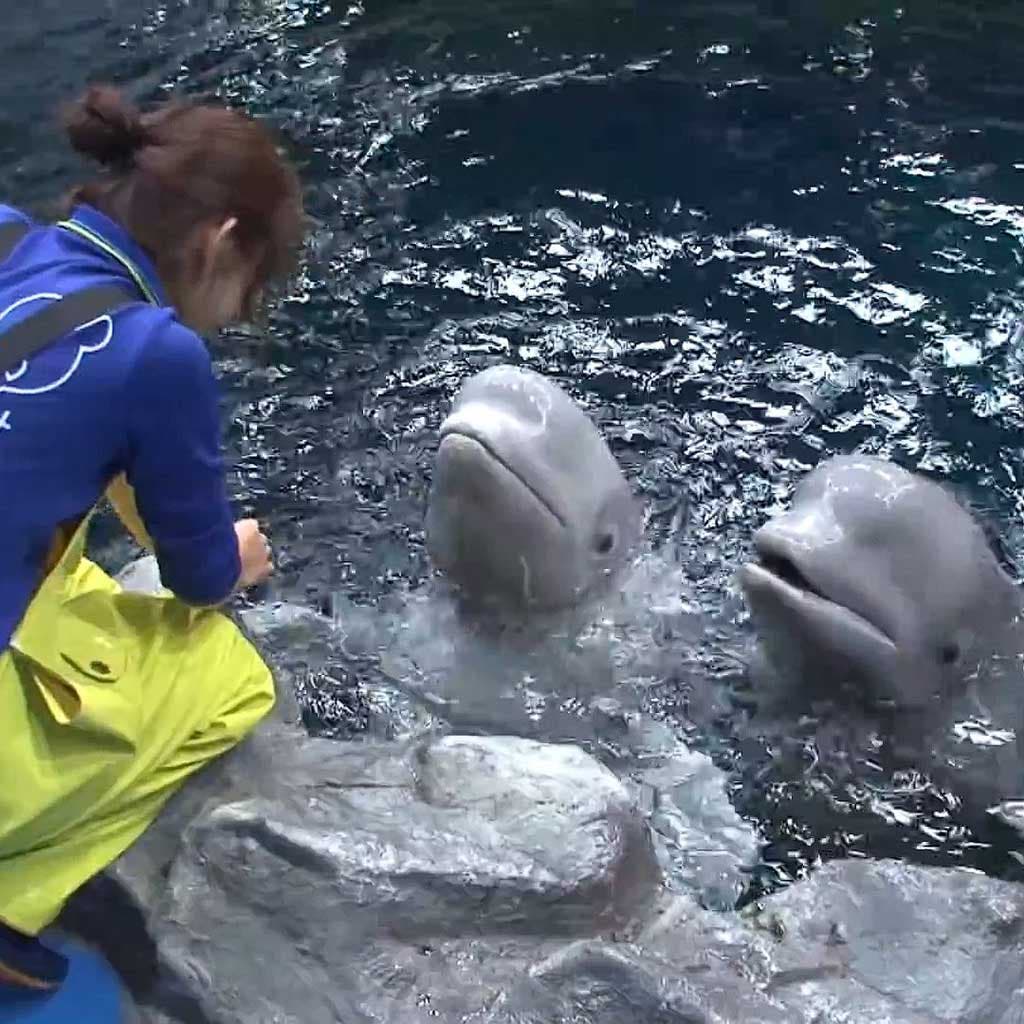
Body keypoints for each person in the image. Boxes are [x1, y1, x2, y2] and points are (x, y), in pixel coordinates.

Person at [0, 84, 305, 992]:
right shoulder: (156, 353)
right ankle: (15, 892)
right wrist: (235, 561)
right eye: (253, 290)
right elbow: (201, 577)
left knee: (69, 567)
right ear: (221, 245)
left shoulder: (10, 236)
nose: (238, 317)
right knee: (229, 680)